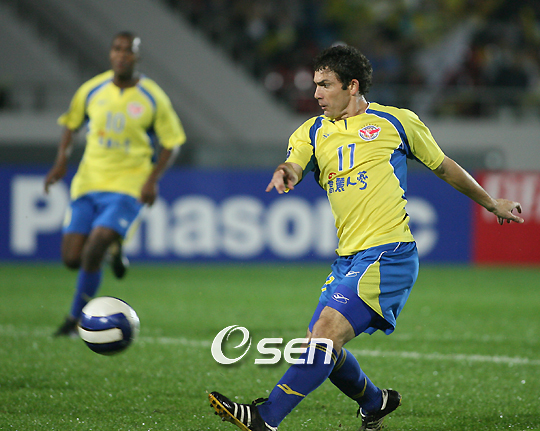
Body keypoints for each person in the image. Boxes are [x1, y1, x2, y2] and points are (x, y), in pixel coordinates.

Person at [208, 45, 524, 431]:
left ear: (352, 86)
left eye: (326, 85)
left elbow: (444, 167)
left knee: (325, 335)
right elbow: (295, 162)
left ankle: (266, 417)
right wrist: (287, 172)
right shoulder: (311, 131)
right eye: (315, 85)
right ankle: (376, 402)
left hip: (390, 254)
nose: (316, 93)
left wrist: (491, 203)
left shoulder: (396, 122)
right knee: (319, 344)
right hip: (348, 259)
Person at [44, 31, 186, 337]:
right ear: (111, 54)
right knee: (72, 259)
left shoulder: (153, 96)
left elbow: (172, 143)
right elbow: (71, 124)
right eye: (117, 49)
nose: (122, 55)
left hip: (129, 185)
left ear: (137, 56)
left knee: (95, 245)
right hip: (88, 182)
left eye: (128, 50)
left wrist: (151, 180)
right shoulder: (92, 89)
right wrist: (60, 162)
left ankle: (75, 319)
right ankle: (113, 251)